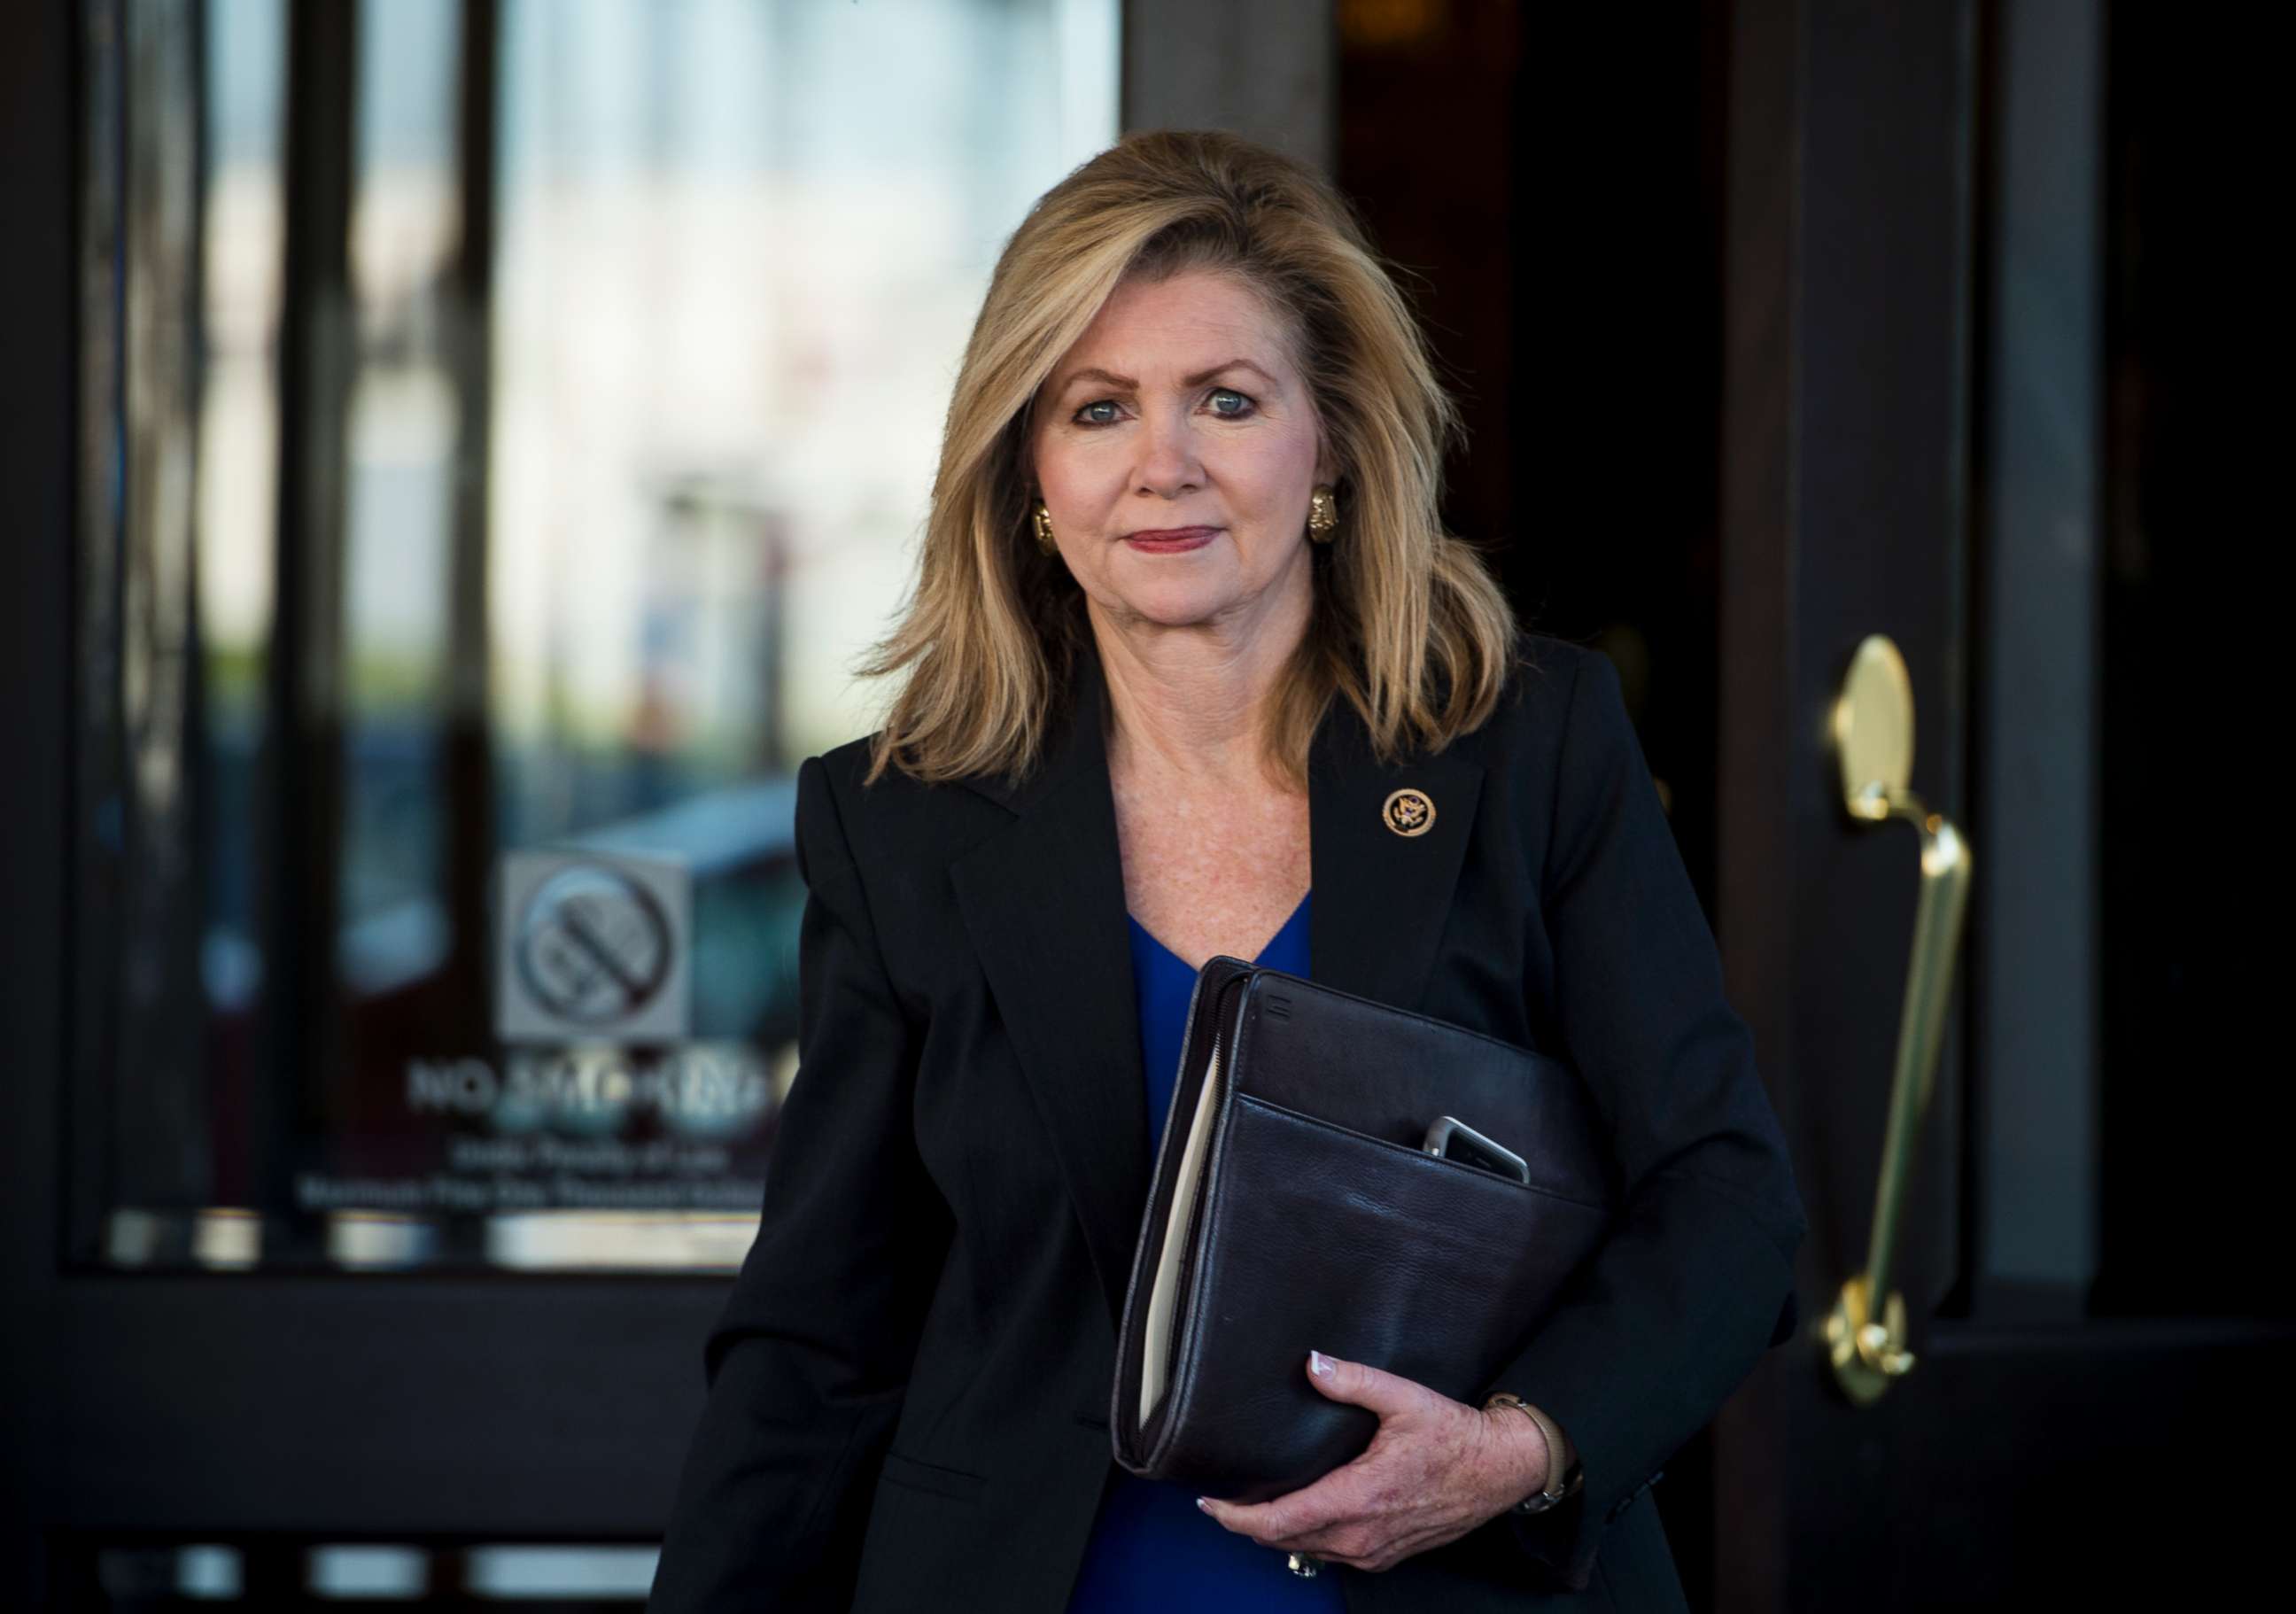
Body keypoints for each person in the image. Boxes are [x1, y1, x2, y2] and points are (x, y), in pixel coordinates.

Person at [647, 128, 1806, 1614]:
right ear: (1029, 474)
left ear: (1326, 439)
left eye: (1227, 400)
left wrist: (1518, 1446)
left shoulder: (1527, 750)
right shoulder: (903, 825)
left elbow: (1725, 1196)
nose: (1163, 465)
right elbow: (818, 1343)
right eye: (1098, 408)